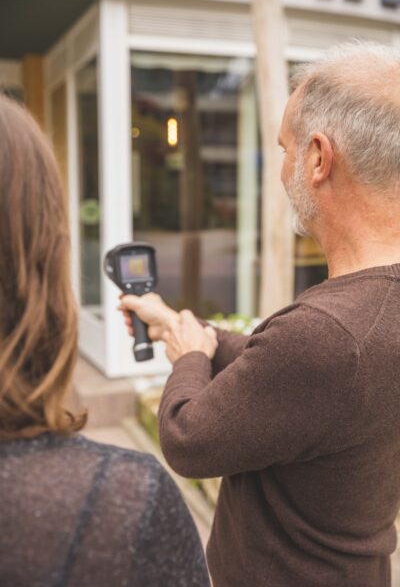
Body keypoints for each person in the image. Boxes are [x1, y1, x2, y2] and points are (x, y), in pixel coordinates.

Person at [120, 42, 400, 587]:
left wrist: (190, 359)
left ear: (319, 158)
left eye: (284, 148)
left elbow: (188, 437)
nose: (281, 170)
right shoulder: (361, 322)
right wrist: (190, 329)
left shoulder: (329, 332)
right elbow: (293, 378)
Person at [0, 94, 210, 587]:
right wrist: (194, 361)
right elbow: (190, 439)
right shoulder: (127, 502)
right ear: (47, 260)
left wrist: (191, 336)